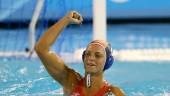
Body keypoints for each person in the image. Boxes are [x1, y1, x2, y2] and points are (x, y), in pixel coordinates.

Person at [35, 11, 125, 96]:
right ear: (83, 57)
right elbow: (41, 49)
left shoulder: (113, 93)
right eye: (88, 54)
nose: (91, 58)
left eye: (97, 55)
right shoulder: (71, 81)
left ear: (107, 62)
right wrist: (65, 20)